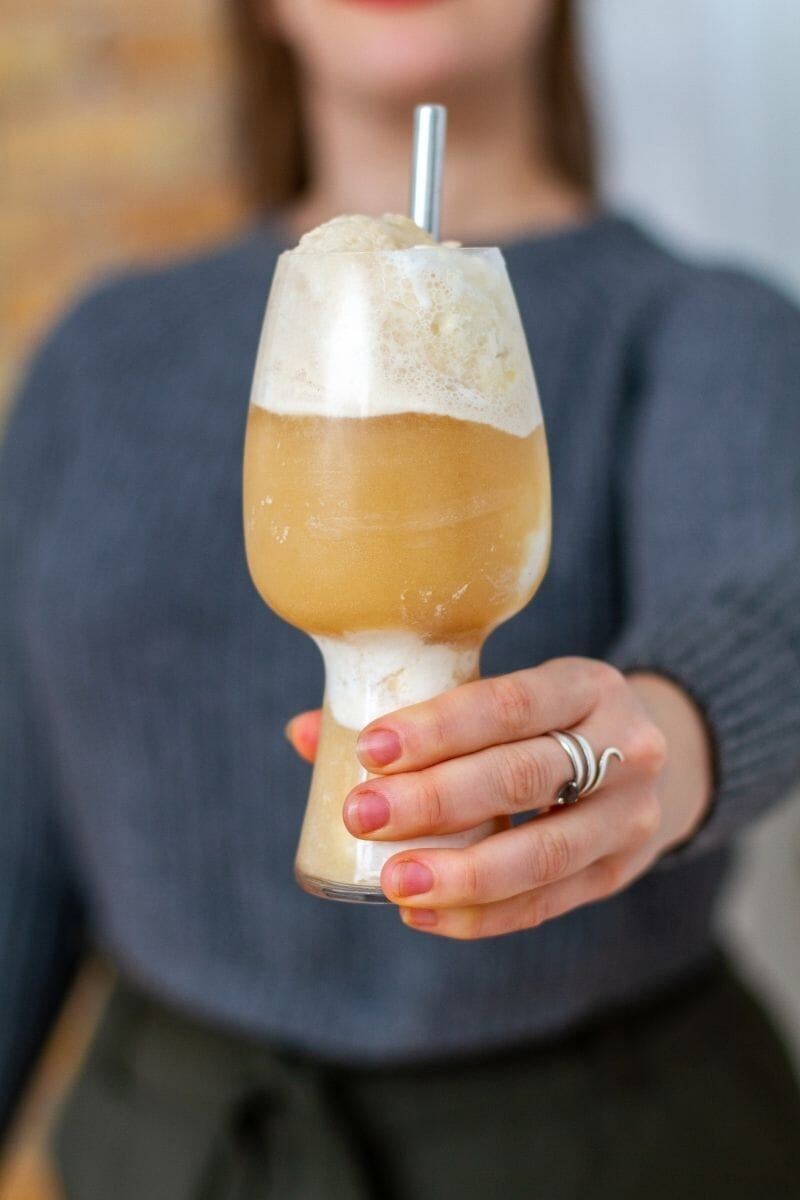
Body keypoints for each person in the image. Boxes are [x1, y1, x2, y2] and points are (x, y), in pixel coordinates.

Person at [2, 0, 800, 1195]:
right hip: (179, 1149)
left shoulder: (706, 326)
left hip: (599, 1142)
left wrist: (658, 741)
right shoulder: (101, 354)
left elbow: (763, 601)